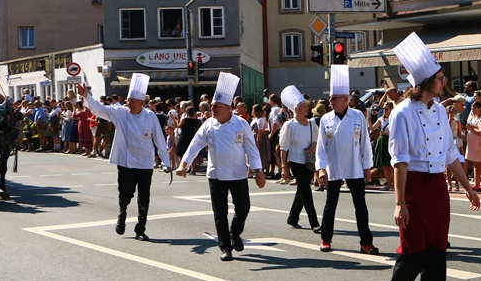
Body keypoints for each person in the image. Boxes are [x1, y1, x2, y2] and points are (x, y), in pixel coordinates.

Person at [385, 33, 480, 281]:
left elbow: (451, 153)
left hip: (437, 187)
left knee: (438, 252)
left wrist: (468, 188)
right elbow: (399, 159)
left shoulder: (440, 111)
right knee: (413, 252)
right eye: (439, 77)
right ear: (426, 81)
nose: (444, 81)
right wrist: (400, 203)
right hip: (413, 185)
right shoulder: (401, 113)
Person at [177, 73, 266, 261]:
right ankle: (225, 247)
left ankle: (235, 232)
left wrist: (258, 171)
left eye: (215, 106)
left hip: (238, 174)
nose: (212, 109)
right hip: (216, 175)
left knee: (243, 208)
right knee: (220, 213)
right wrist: (184, 164)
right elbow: (195, 144)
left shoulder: (241, 124)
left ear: (227, 108)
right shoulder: (208, 125)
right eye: (212, 106)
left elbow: (251, 149)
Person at [76, 74, 169, 241]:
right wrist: (85, 95)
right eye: (128, 100)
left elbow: (159, 139)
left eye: (132, 101)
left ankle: (140, 228)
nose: (128, 103)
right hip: (126, 162)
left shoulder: (150, 116)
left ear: (141, 102)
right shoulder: (120, 113)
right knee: (125, 194)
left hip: (145, 163)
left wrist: (166, 161)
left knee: (144, 197)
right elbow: (99, 109)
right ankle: (122, 213)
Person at [315, 64, 378, 254]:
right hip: (334, 166)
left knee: (361, 206)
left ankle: (366, 242)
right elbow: (321, 147)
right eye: (330, 98)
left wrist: (367, 166)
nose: (330, 101)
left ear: (345, 99)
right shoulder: (326, 119)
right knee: (330, 205)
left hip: (354, 166)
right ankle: (326, 238)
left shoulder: (357, 115)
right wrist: (321, 168)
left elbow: (365, 143)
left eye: (333, 98)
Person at [279, 86, 320, 231]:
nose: (306, 108)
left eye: (306, 106)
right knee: (306, 190)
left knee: (302, 190)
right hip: (295, 161)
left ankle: (292, 217)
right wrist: (284, 167)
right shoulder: (289, 125)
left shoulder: (311, 124)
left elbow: (317, 140)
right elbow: (283, 148)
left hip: (308, 161)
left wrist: (314, 145)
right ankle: (314, 222)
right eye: (303, 106)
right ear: (296, 109)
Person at [464, 101, 481, 191]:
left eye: (474, 109)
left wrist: (472, 129)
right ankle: (477, 184)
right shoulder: (472, 118)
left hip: (479, 145)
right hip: (472, 145)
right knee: (475, 164)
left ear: (479, 109)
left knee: (480, 164)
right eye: (472, 109)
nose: (473, 111)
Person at [370, 100, 395, 190]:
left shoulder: (394, 118)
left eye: (386, 109)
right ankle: (389, 183)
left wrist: (386, 133)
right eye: (383, 108)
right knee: (384, 164)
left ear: (391, 109)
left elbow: (396, 132)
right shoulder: (381, 119)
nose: (384, 110)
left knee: (390, 164)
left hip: (390, 140)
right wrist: (369, 121)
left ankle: (394, 184)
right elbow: (372, 128)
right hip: (382, 141)